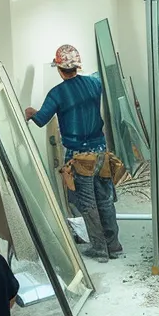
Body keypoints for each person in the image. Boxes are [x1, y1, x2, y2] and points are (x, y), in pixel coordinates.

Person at [24, 44, 121, 261]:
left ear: (59, 68)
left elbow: (41, 120)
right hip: (101, 152)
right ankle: (114, 245)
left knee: (87, 203)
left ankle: (99, 249)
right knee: (105, 199)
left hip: (80, 157)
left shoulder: (57, 93)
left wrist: (30, 112)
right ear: (77, 66)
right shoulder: (95, 84)